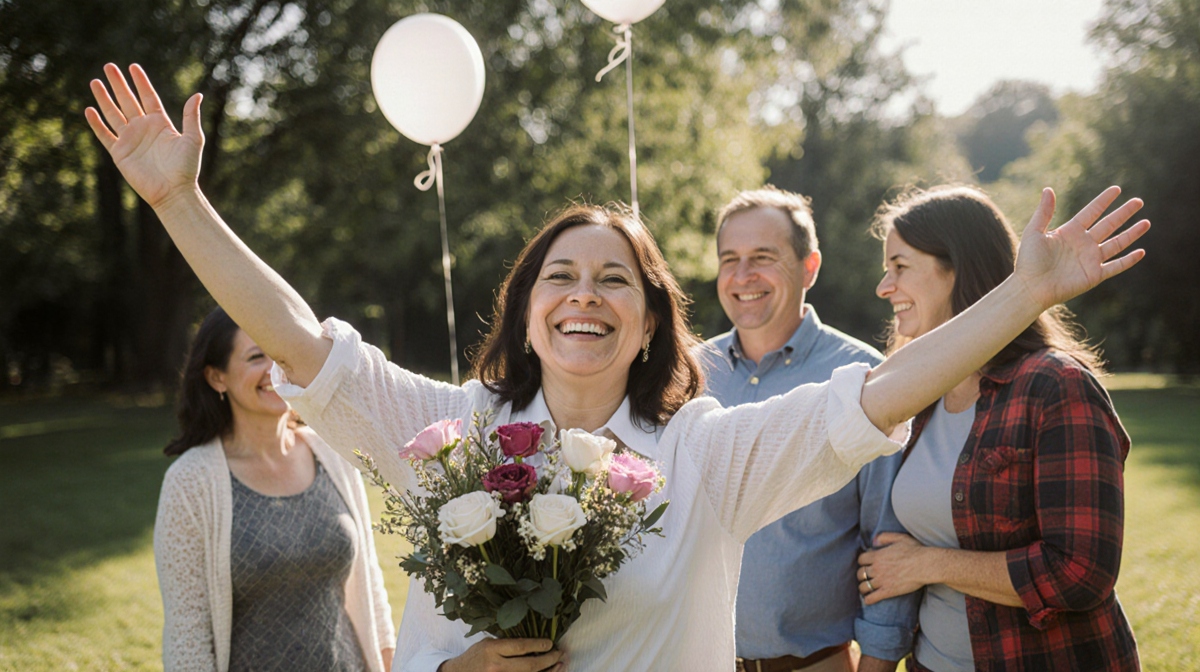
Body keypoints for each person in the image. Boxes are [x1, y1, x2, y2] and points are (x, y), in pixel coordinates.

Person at [87, 64, 1148, 672]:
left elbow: (874, 397)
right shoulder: (444, 429)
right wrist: (181, 202)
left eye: (615, 281)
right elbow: (297, 335)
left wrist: (1020, 297)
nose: (584, 294)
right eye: (561, 275)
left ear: (649, 326)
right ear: (527, 305)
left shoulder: (709, 453)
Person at [855, 186, 1141, 671]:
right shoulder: (914, 399)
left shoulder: (1055, 386)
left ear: (957, 270)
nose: (884, 287)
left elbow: (1081, 573)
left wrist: (926, 564)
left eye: (900, 266)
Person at [700, 187, 917, 672]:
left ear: (809, 267)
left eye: (763, 257)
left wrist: (879, 663)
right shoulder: (687, 375)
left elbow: (886, 535)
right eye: (729, 259)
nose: (742, 276)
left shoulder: (866, 378)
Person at [153, 308, 396, 672]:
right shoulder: (189, 483)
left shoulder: (334, 452)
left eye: (281, 353)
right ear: (217, 377)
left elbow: (371, 590)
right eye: (256, 357)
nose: (275, 369)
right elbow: (188, 638)